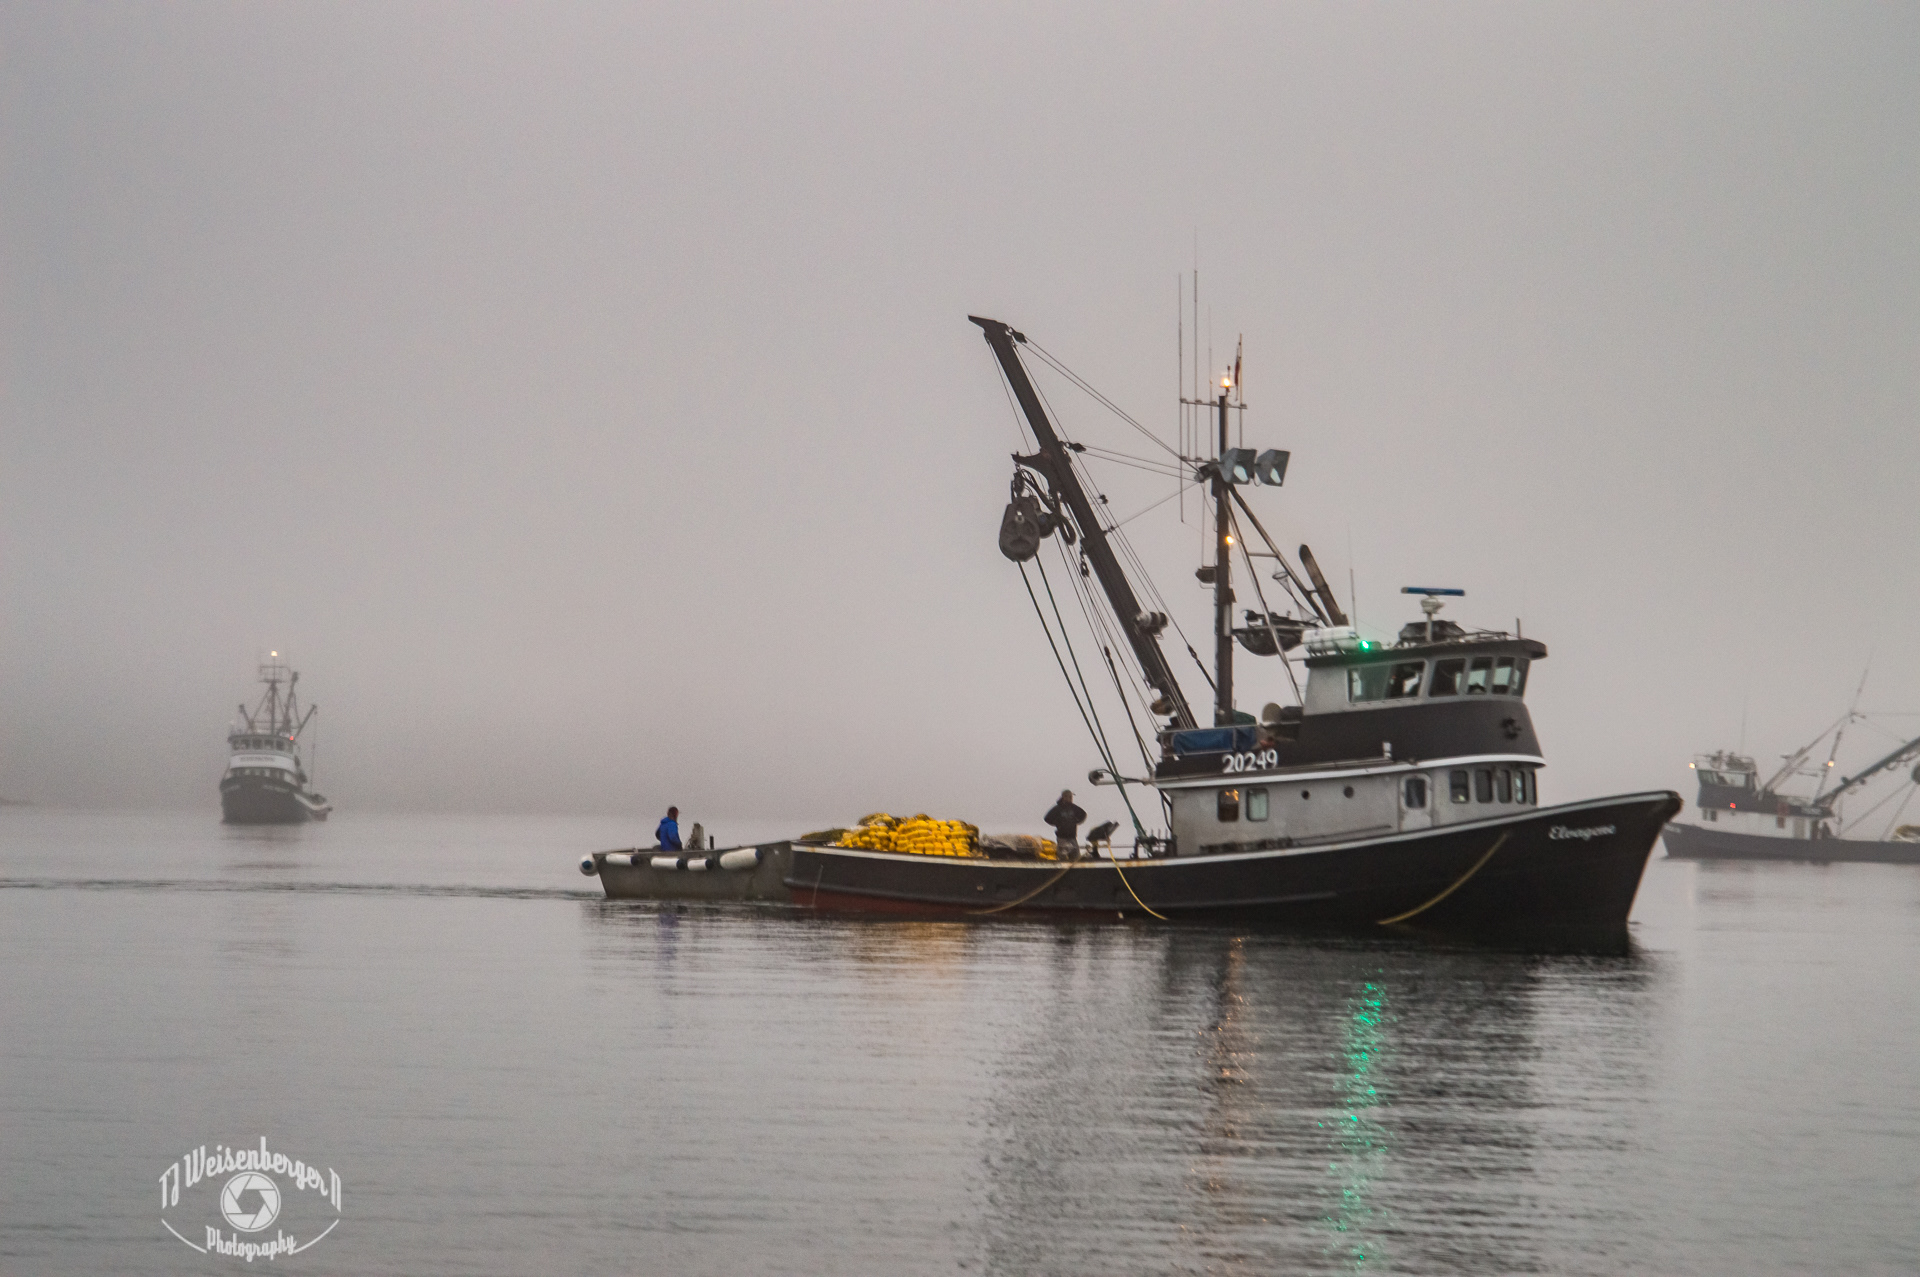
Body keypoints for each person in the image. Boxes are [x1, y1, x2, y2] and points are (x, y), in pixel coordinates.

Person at [1044, 789, 1086, 861]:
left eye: (1071, 797)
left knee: (1076, 857)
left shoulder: (1074, 808)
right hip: (1062, 837)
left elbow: (1083, 814)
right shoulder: (1058, 808)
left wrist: (1077, 821)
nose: (1070, 798)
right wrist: (1057, 823)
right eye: (1069, 797)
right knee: (1063, 857)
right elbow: (1047, 818)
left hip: (1072, 837)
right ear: (1064, 797)